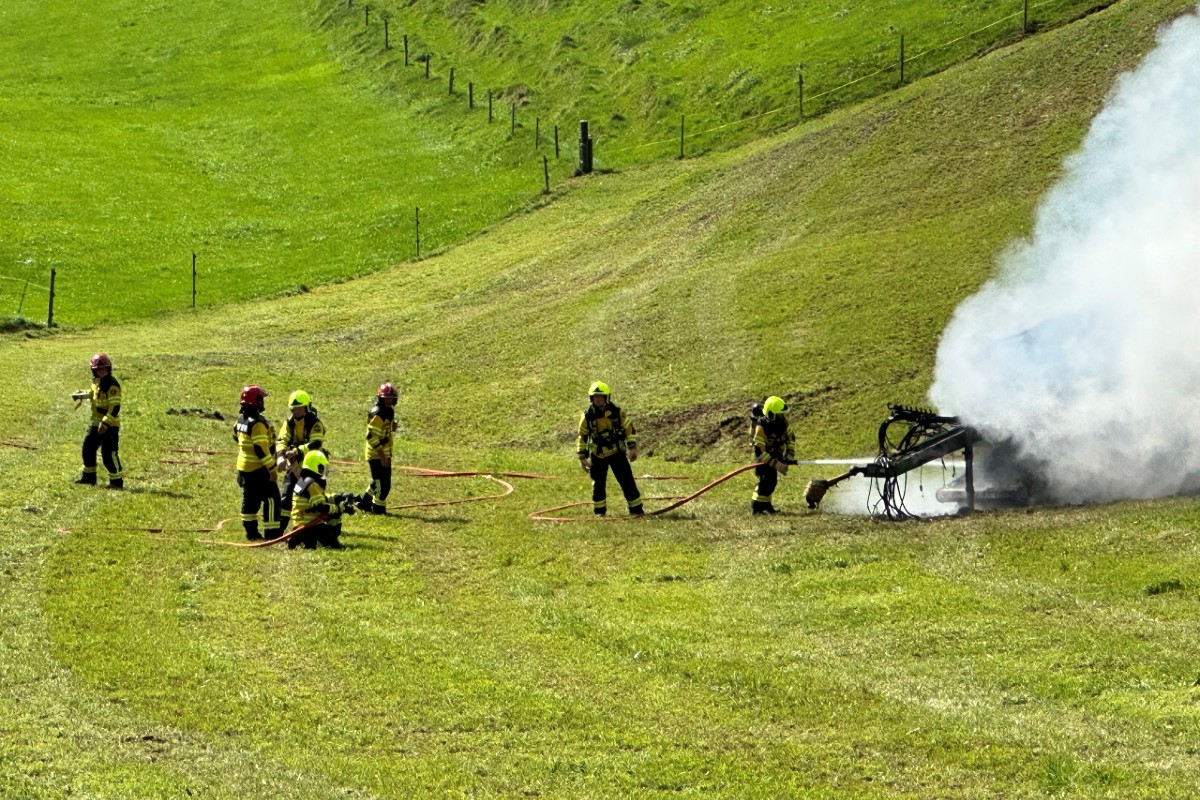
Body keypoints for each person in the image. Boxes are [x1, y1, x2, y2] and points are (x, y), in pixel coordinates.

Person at [576, 381, 643, 516]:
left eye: (601, 397)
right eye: (595, 397)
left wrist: (633, 448)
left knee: (627, 481)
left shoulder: (618, 413)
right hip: (598, 455)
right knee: (598, 485)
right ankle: (600, 512)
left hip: (617, 454)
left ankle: (636, 510)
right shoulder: (587, 416)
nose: (598, 399)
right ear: (591, 399)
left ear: (607, 398)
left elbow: (629, 430)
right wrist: (582, 457)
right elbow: (582, 437)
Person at [233, 385, 281, 540]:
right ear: (257, 401)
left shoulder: (241, 420)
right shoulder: (258, 423)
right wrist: (272, 469)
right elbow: (261, 449)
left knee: (250, 501)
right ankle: (272, 533)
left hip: (244, 468)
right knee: (272, 499)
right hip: (259, 469)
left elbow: (236, 437)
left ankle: (251, 533)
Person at [276, 389, 326, 532]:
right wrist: (280, 455)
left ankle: (317, 524)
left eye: (300, 409)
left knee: (313, 494)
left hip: (311, 466)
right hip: (294, 464)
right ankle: (280, 529)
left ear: (307, 407)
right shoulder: (289, 423)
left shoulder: (315, 423)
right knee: (287, 493)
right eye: (294, 409)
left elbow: (316, 443)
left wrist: (297, 451)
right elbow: (282, 439)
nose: (297, 412)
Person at [288, 450, 356, 549]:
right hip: (310, 524)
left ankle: (299, 538)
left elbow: (317, 499)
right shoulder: (313, 484)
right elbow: (321, 508)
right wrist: (340, 508)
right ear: (316, 467)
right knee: (332, 541)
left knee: (313, 542)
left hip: (301, 522)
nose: (325, 470)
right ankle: (317, 541)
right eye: (322, 467)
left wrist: (337, 497)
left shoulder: (304, 480)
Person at [75, 353, 124, 489]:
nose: (101, 371)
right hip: (96, 422)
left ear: (108, 369)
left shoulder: (112, 385)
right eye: (98, 369)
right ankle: (89, 478)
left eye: (104, 369)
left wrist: (105, 423)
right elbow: (93, 394)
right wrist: (81, 395)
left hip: (110, 425)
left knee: (109, 454)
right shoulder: (97, 382)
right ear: (94, 370)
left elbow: (115, 408)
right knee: (88, 449)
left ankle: (116, 482)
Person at [750, 396, 796, 514]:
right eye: (779, 415)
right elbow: (759, 451)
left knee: (772, 481)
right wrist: (776, 464)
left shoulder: (783, 425)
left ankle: (766, 505)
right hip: (763, 459)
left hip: (775, 455)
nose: (782, 417)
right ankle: (756, 507)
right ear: (771, 415)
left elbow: (790, 438)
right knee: (765, 481)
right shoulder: (761, 427)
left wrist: (790, 454)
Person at [361, 382, 398, 514]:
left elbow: (383, 428)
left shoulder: (389, 412)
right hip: (376, 454)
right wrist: (382, 457)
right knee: (383, 486)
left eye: (391, 398)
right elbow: (371, 436)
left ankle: (364, 503)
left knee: (379, 482)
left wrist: (392, 426)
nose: (389, 401)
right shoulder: (378, 414)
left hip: (385, 453)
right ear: (381, 398)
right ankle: (378, 509)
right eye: (386, 398)